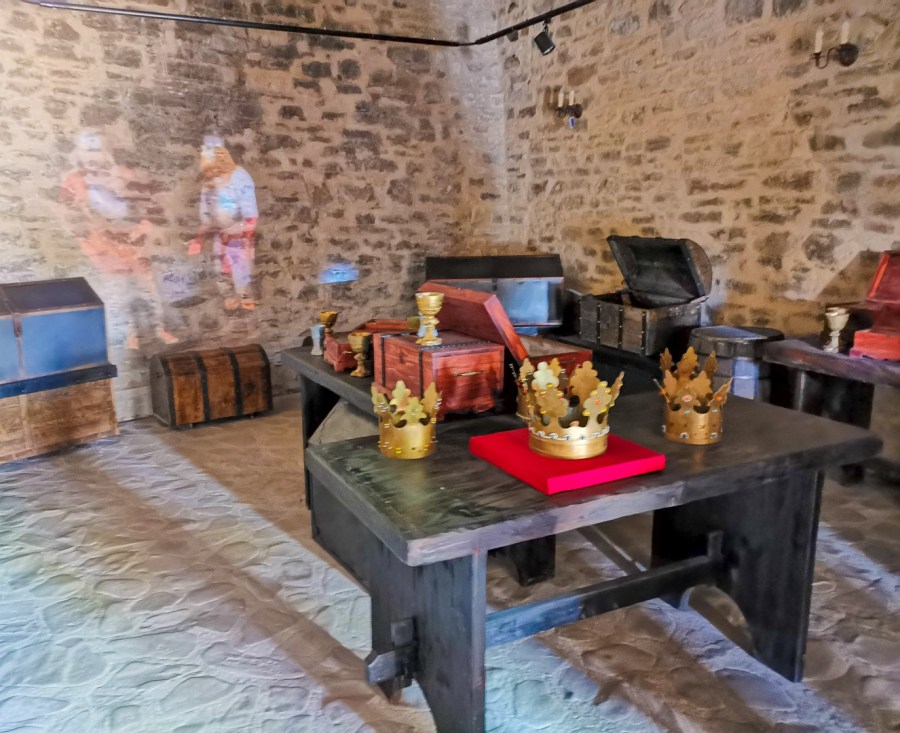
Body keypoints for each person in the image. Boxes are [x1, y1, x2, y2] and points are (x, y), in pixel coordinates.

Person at [59, 130, 178, 349]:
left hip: (134, 244)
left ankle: (159, 328)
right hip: (106, 246)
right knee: (120, 292)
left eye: (97, 151)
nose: (93, 159)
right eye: (88, 152)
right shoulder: (74, 181)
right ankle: (130, 333)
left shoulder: (122, 175)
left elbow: (149, 203)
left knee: (148, 289)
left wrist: (144, 226)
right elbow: (70, 211)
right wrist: (89, 239)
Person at [188, 136, 259, 311]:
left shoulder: (240, 177)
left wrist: (245, 236)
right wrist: (198, 239)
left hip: (240, 234)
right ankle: (229, 296)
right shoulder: (209, 183)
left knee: (241, 267)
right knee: (222, 269)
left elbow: (250, 213)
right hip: (221, 236)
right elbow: (206, 216)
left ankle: (244, 293)